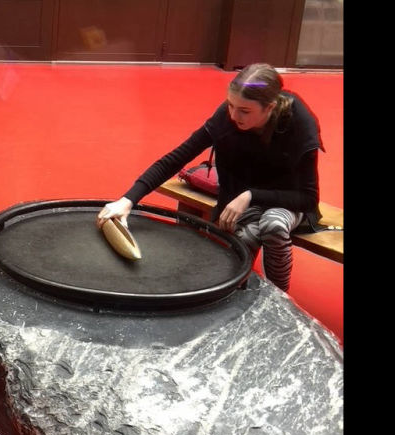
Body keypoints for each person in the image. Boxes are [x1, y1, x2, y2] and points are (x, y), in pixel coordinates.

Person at [96, 63, 323, 293]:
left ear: (270, 108)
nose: (233, 115)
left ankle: (279, 295)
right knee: (239, 249)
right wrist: (128, 200)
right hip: (239, 201)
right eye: (230, 105)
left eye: (244, 111)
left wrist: (251, 195)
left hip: (287, 201)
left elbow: (308, 199)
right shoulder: (227, 116)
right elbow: (176, 158)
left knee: (272, 225)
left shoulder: (299, 123)